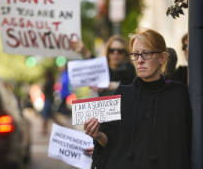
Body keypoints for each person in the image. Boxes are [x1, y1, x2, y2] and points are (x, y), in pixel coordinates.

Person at [84, 29, 191, 169]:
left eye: (146, 53)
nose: (140, 60)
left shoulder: (178, 94)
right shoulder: (122, 94)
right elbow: (109, 142)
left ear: (163, 58)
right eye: (135, 54)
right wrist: (97, 135)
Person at [71, 35, 136, 96]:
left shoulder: (129, 69)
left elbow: (118, 75)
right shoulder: (104, 70)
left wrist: (113, 85)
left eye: (120, 51)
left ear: (125, 53)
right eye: (112, 50)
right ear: (108, 52)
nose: (115, 53)